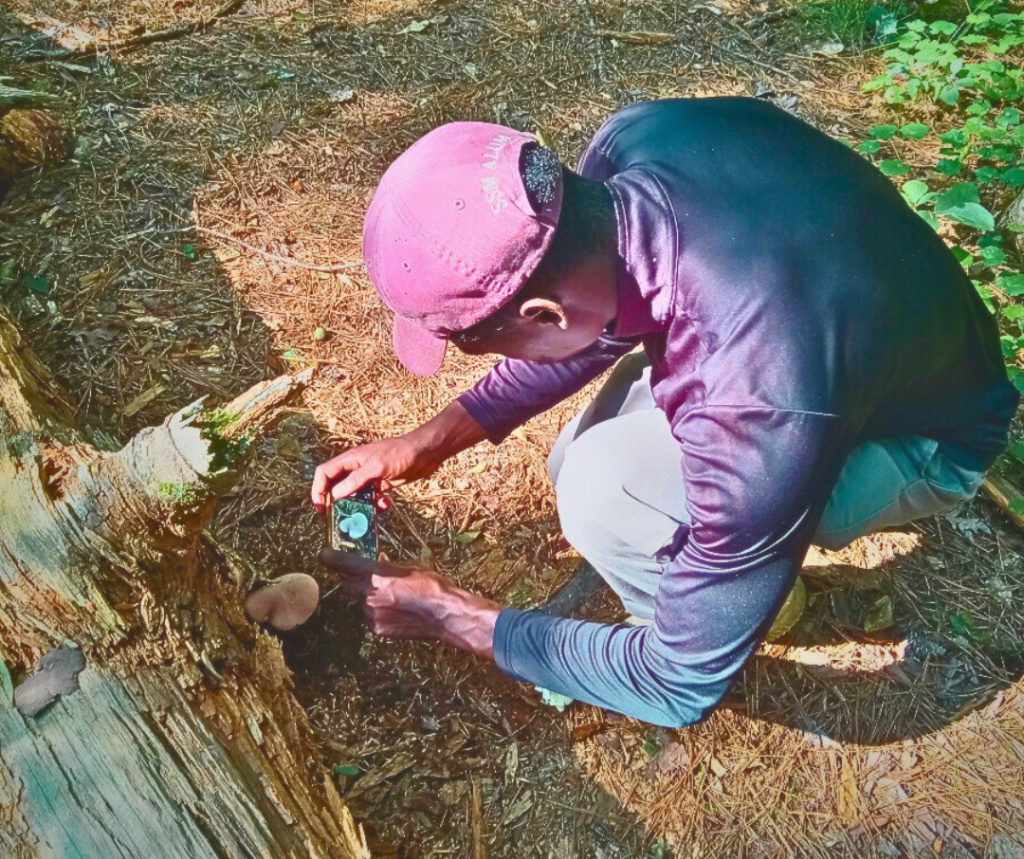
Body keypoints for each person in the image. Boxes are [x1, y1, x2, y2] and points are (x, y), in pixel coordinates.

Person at [312, 100, 1019, 728]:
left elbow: (676, 683)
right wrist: (431, 440)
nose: (471, 355)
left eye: (467, 343)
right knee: (581, 464)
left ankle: (766, 603)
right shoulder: (641, 140)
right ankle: (739, 568)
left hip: (927, 441)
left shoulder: (749, 406)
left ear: (541, 314)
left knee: (602, 492)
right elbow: (600, 317)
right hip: (867, 349)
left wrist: (451, 613)